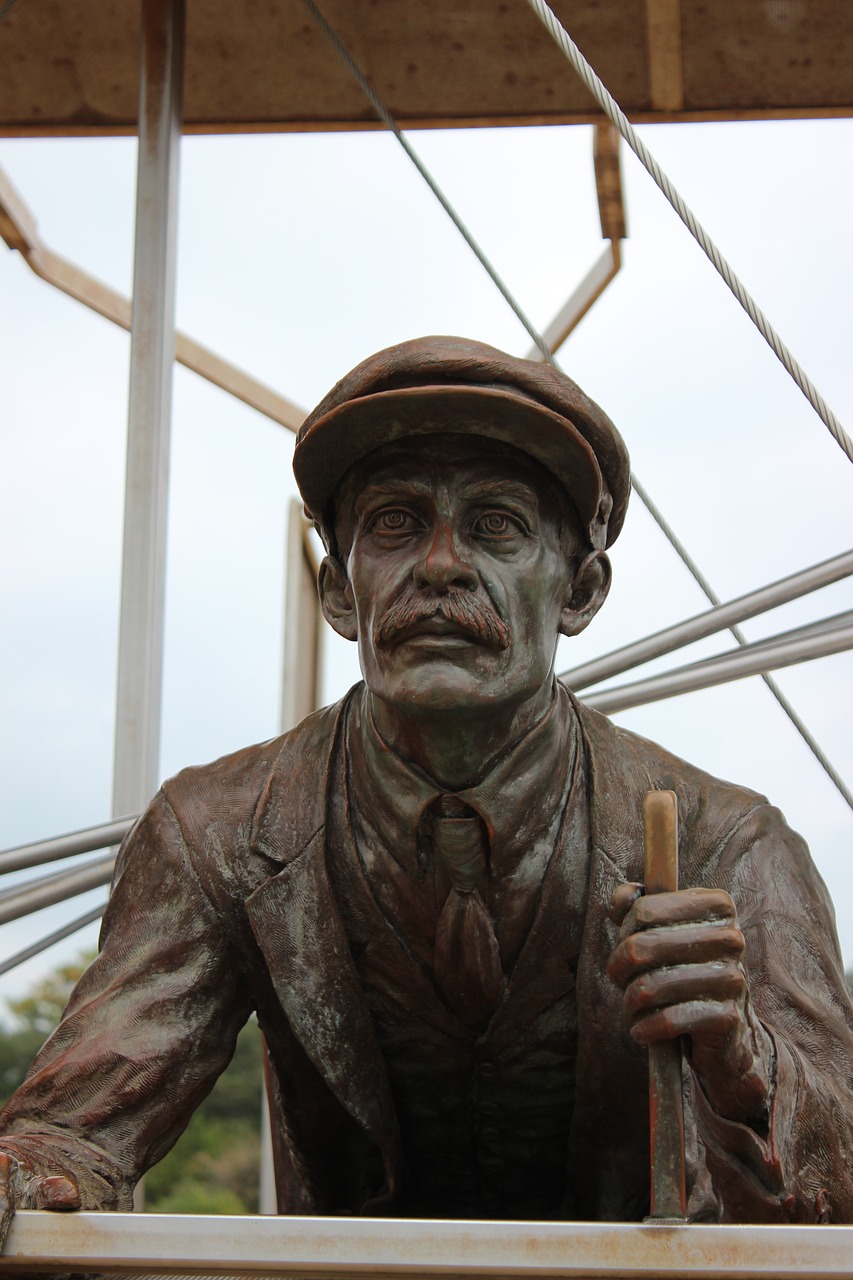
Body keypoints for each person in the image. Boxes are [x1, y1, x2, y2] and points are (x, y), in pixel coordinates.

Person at [0, 336, 851, 1233]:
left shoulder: (727, 843)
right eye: (396, 524)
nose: (441, 566)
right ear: (339, 591)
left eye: (496, 526)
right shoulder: (217, 830)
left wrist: (739, 1055)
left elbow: (840, 1178)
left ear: (580, 590)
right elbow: (71, 1132)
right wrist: (28, 1168)